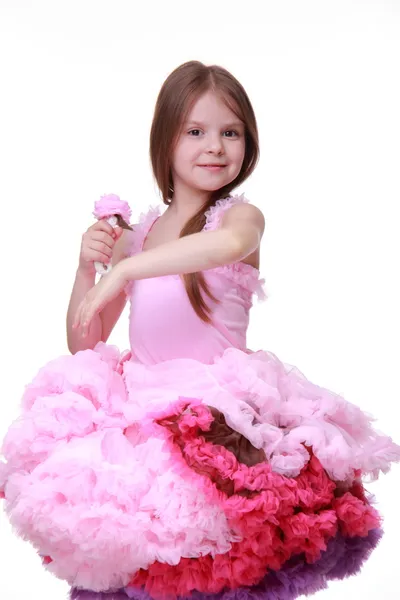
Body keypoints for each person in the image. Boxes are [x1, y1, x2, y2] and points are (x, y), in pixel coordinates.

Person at [1, 60, 399, 600]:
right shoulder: (136, 238)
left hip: (216, 417)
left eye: (230, 132)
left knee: (215, 560)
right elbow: (85, 344)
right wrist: (87, 269)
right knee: (144, 560)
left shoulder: (240, 219)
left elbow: (230, 248)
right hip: (142, 417)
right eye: (196, 131)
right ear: (165, 140)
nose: (215, 146)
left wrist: (125, 268)